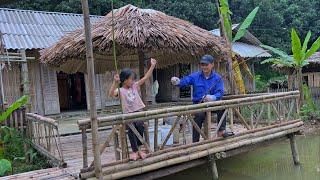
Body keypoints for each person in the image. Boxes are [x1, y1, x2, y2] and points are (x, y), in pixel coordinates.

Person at [171, 54, 228, 142]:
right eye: (202, 65)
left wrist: (213, 97)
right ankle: (195, 141)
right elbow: (185, 81)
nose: (204, 67)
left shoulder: (217, 77)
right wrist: (177, 81)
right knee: (199, 115)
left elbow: (220, 92)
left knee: (222, 107)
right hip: (199, 105)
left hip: (212, 104)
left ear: (212, 64)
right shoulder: (195, 76)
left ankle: (221, 131)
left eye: (206, 64)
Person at [109, 58, 157, 160]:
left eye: (133, 79)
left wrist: (152, 66)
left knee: (139, 125)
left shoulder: (134, 86)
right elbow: (111, 94)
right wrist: (114, 82)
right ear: (125, 80)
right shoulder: (120, 90)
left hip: (138, 113)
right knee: (132, 127)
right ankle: (136, 151)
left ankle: (138, 149)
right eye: (131, 79)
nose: (133, 81)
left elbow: (146, 77)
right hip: (128, 115)